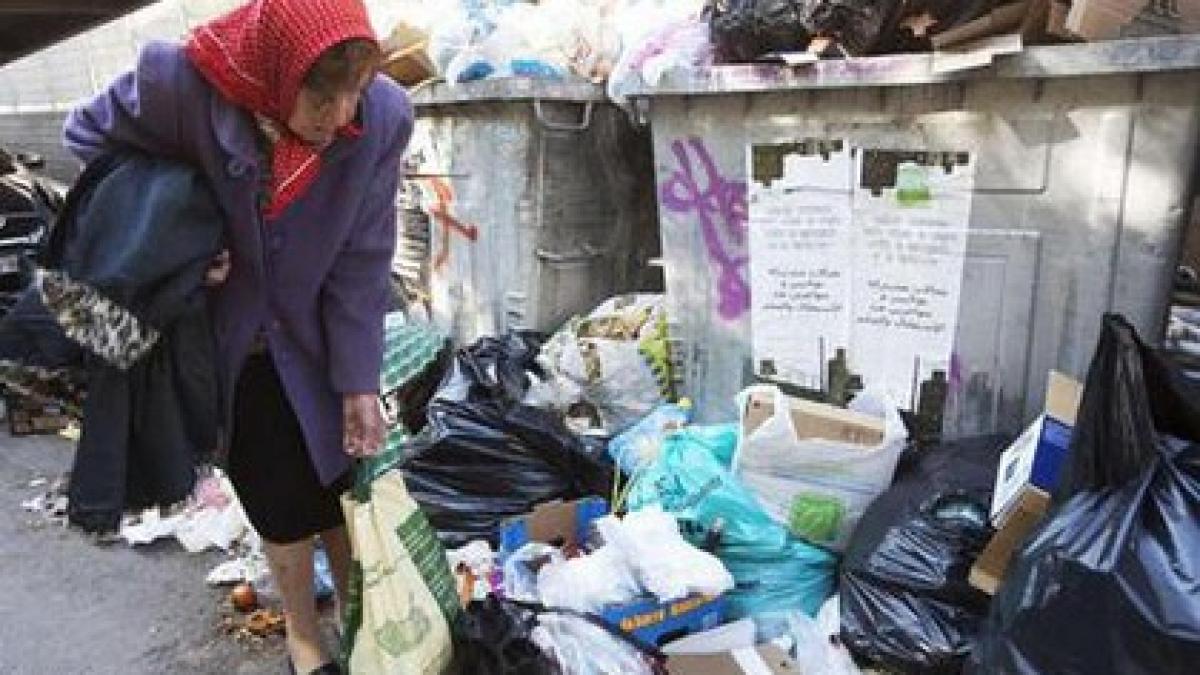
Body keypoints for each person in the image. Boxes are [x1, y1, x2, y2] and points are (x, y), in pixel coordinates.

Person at [64, 1, 412, 672]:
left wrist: (358, 380)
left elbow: (363, 259)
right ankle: (306, 642)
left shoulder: (384, 118)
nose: (340, 116)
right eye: (322, 94)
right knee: (277, 496)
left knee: (342, 484)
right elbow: (88, 137)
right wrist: (180, 232)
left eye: (355, 91)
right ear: (280, 69)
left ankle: (367, 624)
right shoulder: (179, 85)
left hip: (318, 335)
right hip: (230, 339)